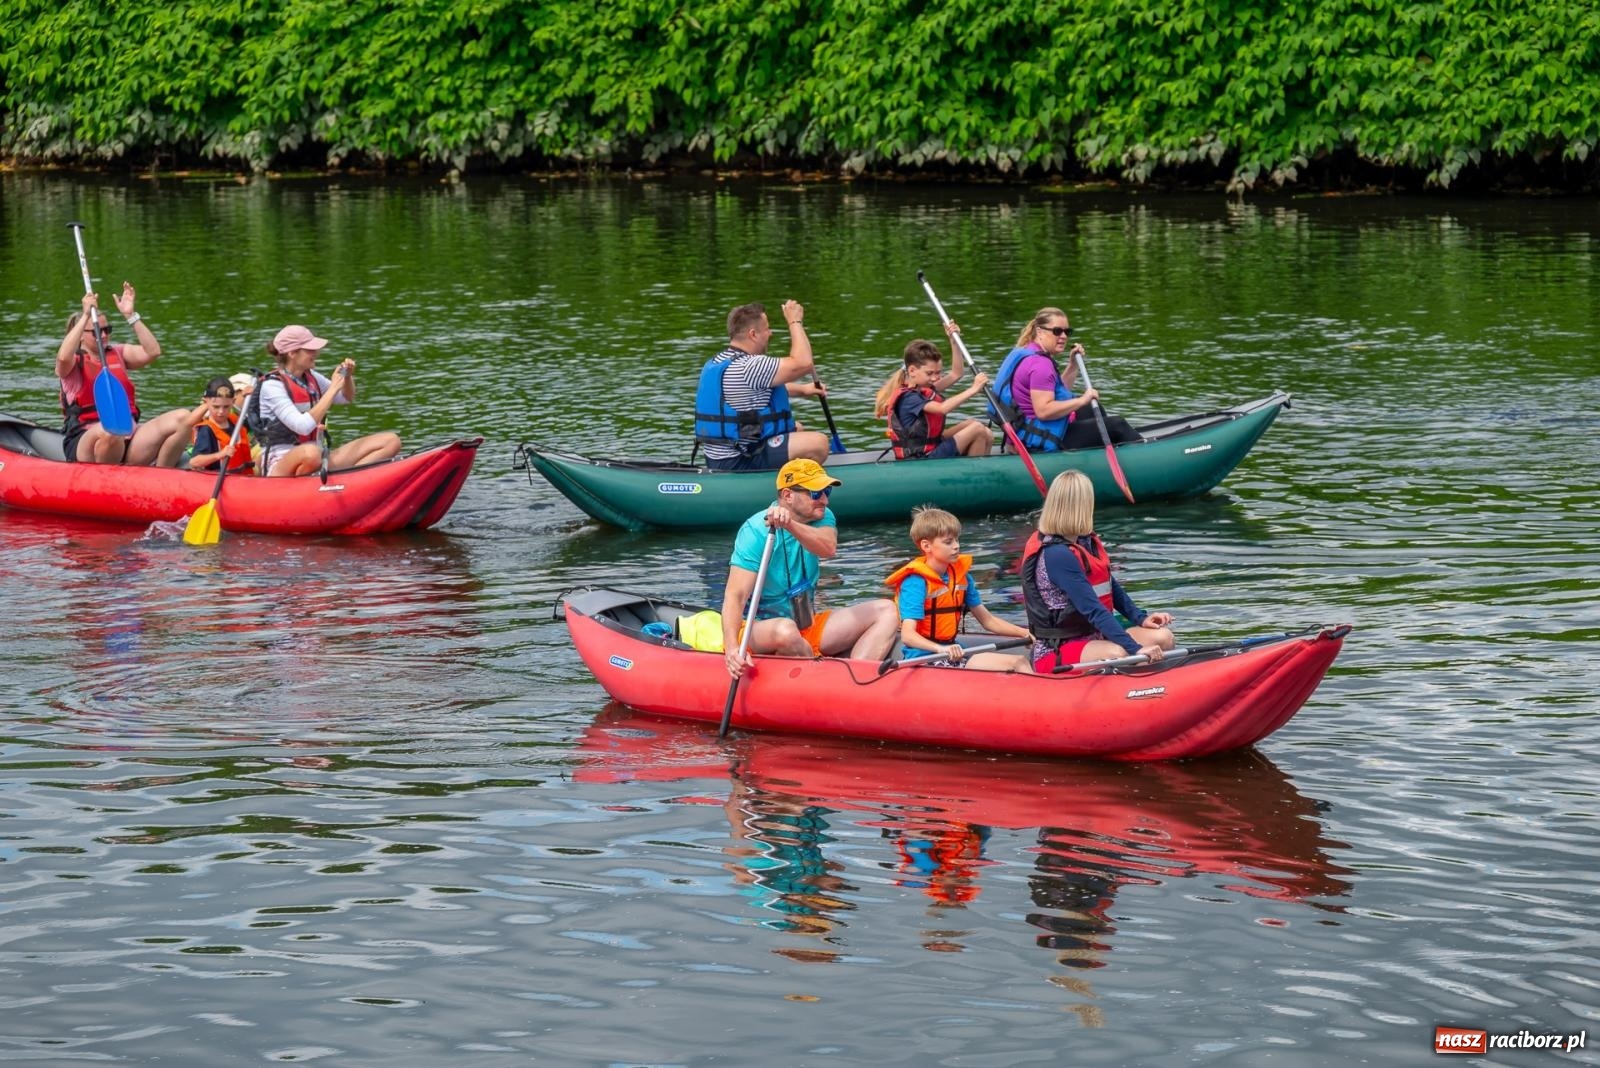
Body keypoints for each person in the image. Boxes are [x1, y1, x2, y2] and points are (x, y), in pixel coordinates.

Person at [721, 459, 899, 677]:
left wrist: (790, 525)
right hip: (758, 629)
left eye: (826, 492)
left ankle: (855, 678)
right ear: (788, 496)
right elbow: (735, 596)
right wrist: (731, 649)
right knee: (785, 630)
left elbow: (828, 548)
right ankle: (820, 676)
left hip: (806, 625)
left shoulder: (822, 516)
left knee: (887, 610)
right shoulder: (756, 531)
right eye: (815, 494)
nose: (824, 500)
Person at [1021, 470, 1175, 674]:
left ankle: (1157, 687)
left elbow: (1110, 586)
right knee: (1118, 654)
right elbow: (1092, 608)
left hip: (1094, 637)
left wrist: (1140, 618)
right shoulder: (1057, 554)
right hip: (1056, 649)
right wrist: (1136, 648)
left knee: (1163, 637)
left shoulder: (1084, 542)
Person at [54, 285, 193, 465]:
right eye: (97, 331)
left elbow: (153, 351)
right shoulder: (73, 363)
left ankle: (162, 476)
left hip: (129, 436)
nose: (104, 335)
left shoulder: (119, 353)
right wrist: (87, 315)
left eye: (107, 330)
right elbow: (63, 358)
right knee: (110, 431)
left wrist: (130, 315)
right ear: (81, 335)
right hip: (86, 441)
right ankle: (106, 480)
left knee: (184, 418)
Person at [883, 506, 1031, 671]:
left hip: (953, 651)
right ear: (926, 546)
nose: (956, 546)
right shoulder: (915, 583)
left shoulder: (963, 578)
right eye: (948, 542)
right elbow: (908, 636)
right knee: (1016, 663)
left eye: (956, 540)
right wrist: (941, 649)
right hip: (924, 657)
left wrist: (1024, 633)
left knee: (1019, 661)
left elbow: (988, 621)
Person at [695, 300, 832, 471]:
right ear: (753, 334)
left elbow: (757, 392)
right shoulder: (750, 366)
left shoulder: (721, 361)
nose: (770, 333)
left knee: (796, 428)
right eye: (767, 329)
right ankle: (794, 489)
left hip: (725, 455)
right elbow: (803, 363)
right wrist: (794, 322)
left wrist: (804, 389)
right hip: (740, 459)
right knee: (818, 443)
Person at [254, 325, 402, 477]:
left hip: (318, 457)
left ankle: (350, 481)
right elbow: (302, 427)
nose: (316, 353)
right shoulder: (272, 386)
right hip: (281, 463)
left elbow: (345, 398)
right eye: (310, 350)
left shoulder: (311, 377)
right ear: (292, 353)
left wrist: (347, 378)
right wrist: (332, 390)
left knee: (391, 441)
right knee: (312, 453)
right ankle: (307, 486)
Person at [992, 307, 1140, 452]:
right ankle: (1143, 452)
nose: (1063, 336)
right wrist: (1081, 399)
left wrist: (1072, 365)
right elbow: (1043, 411)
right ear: (1039, 331)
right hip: (1037, 438)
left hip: (1026, 431)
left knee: (1089, 409)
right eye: (1057, 331)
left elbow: (1056, 393)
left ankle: (1104, 453)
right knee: (1117, 425)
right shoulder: (1040, 365)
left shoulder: (1027, 351)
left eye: (1067, 332)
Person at [871, 326, 994, 459]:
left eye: (938, 372)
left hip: (932, 446)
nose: (935, 378)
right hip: (920, 457)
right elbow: (942, 408)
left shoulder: (924, 388)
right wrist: (973, 389)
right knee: (977, 429)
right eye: (930, 373)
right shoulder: (909, 398)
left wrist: (954, 341)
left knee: (978, 427)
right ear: (912, 371)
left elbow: (956, 373)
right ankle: (975, 474)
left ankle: (981, 465)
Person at [185, 377, 255, 474]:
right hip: (217, 479)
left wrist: (248, 394)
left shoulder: (235, 421)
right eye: (216, 407)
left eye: (226, 407)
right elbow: (194, 462)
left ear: (233, 402)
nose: (221, 412)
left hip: (242, 476)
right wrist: (220, 455)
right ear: (206, 402)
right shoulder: (206, 430)